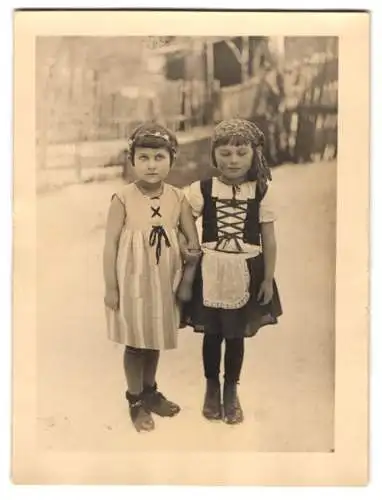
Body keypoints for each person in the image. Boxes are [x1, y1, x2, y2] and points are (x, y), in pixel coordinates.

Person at [182, 118, 283, 425]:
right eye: (225, 153)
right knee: (212, 334)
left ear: (255, 155)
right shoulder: (203, 188)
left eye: (241, 153)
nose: (233, 160)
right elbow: (185, 210)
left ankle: (231, 390)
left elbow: (270, 239)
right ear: (214, 156)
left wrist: (267, 277)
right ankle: (211, 388)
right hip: (211, 268)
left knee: (235, 335)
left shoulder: (262, 191)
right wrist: (192, 240)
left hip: (246, 270)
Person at [103, 122, 201, 433]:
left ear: (172, 160)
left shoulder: (178, 198)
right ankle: (135, 399)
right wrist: (110, 287)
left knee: (154, 337)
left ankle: (150, 391)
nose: (151, 165)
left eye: (159, 157)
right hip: (132, 282)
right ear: (131, 160)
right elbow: (110, 246)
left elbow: (193, 244)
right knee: (135, 343)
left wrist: (187, 272)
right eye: (143, 158)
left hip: (164, 282)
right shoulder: (122, 198)